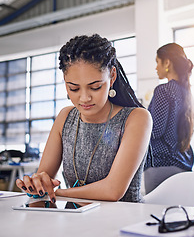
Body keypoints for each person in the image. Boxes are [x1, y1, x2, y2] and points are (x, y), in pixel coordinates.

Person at [16, 34, 152, 203]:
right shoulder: (65, 117)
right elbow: (45, 178)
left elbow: (113, 191)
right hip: (75, 220)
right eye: (74, 89)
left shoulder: (136, 118)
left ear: (112, 77)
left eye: (95, 87)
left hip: (123, 222)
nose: (84, 98)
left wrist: (57, 193)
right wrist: (37, 183)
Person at [144, 43, 194, 194]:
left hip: (161, 165)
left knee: (154, 215)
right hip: (183, 165)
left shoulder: (164, 90)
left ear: (167, 62)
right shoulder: (188, 94)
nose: (155, 68)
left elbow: (155, 131)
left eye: (157, 62)